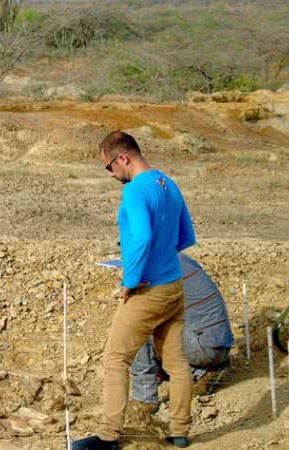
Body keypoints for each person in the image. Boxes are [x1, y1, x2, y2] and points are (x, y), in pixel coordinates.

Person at [73, 131, 196, 450]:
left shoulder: (135, 192)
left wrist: (131, 280)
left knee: (115, 359)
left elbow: (141, 237)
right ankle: (180, 431)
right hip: (175, 285)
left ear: (123, 157)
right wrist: (161, 258)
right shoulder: (168, 183)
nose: (111, 174)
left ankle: (108, 435)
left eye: (109, 167)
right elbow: (185, 237)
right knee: (176, 362)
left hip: (149, 290)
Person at [131, 253, 234, 411]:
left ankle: (145, 400)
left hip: (202, 345)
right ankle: (202, 372)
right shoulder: (176, 259)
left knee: (138, 328)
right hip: (218, 345)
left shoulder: (157, 267)